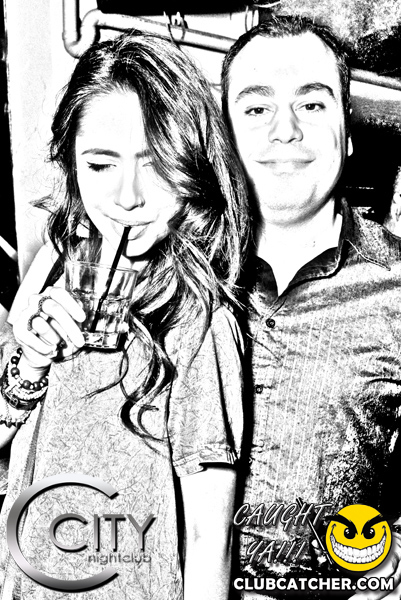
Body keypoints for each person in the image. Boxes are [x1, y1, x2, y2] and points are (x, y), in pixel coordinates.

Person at [0, 30, 249, 600]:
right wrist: (30, 365)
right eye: (100, 164)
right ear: (72, 165)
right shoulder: (53, 270)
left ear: (191, 168)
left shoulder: (201, 324)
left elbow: (210, 540)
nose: (128, 196)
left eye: (153, 164)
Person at [221, 15, 401, 599]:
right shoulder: (172, 276)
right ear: (223, 137)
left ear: (347, 133)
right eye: (256, 108)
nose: (286, 129)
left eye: (312, 104)